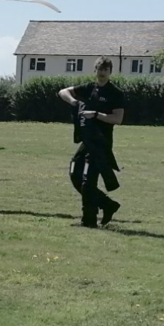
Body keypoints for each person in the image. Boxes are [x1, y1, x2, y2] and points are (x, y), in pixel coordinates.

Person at [57, 57, 126, 228]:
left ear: (110, 72)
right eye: (99, 69)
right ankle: (107, 204)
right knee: (75, 175)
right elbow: (62, 92)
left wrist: (96, 114)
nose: (102, 73)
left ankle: (88, 221)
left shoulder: (115, 93)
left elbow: (118, 119)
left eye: (105, 70)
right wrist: (74, 102)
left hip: (101, 143)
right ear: (95, 70)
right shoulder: (89, 88)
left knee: (89, 181)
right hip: (86, 141)